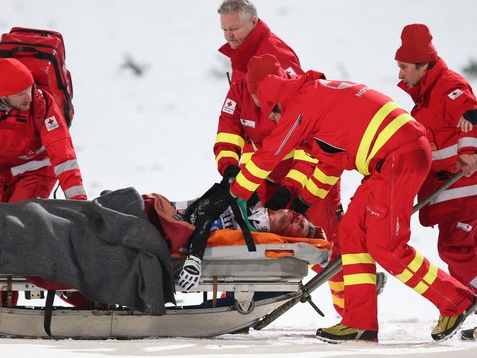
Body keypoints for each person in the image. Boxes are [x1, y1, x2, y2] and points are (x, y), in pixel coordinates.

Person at [194, 54, 477, 343]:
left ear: (275, 104)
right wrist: (302, 200)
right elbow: (331, 163)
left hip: (397, 157)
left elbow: (269, 156)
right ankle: (359, 323)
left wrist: (233, 194)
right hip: (389, 160)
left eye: (274, 116)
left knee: (387, 247)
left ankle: (456, 301)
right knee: (351, 232)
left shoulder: (301, 105)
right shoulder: (315, 95)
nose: (277, 122)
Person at [211, 0, 354, 316]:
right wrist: (230, 166)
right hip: (267, 169)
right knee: (257, 241)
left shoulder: (277, 58)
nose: (228, 37)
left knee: (326, 244)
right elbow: (231, 122)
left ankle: (353, 316)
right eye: (224, 30)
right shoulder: (242, 59)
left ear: (252, 22)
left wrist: (292, 187)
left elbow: (302, 130)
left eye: (233, 29)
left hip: (309, 169)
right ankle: (246, 303)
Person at [0, 58, 87, 305]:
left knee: (14, 228)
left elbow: (64, 156)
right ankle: (4, 301)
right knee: (2, 235)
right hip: (2, 177)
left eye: (29, 88)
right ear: (1, 95)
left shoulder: (43, 103)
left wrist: (78, 201)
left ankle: (75, 293)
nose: (28, 96)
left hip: (38, 172)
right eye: (20, 94)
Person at [394, 23, 477, 341]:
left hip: (465, 187)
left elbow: (470, 114)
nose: (400, 75)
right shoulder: (425, 99)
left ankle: (466, 302)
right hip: (450, 193)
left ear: (422, 64)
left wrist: (469, 152)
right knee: (463, 251)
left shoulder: (448, 86)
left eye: (404, 67)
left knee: (456, 249)